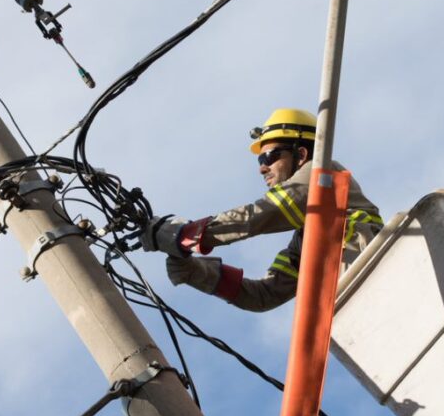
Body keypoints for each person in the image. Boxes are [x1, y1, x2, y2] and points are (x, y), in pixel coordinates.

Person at [142, 108, 382, 312]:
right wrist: (196, 272)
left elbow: (262, 214)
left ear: (301, 154)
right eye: (260, 161)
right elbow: (264, 295)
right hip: (358, 308)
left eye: (269, 157)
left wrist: (185, 235)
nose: (262, 168)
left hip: (375, 274)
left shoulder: (322, 174)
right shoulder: (308, 240)